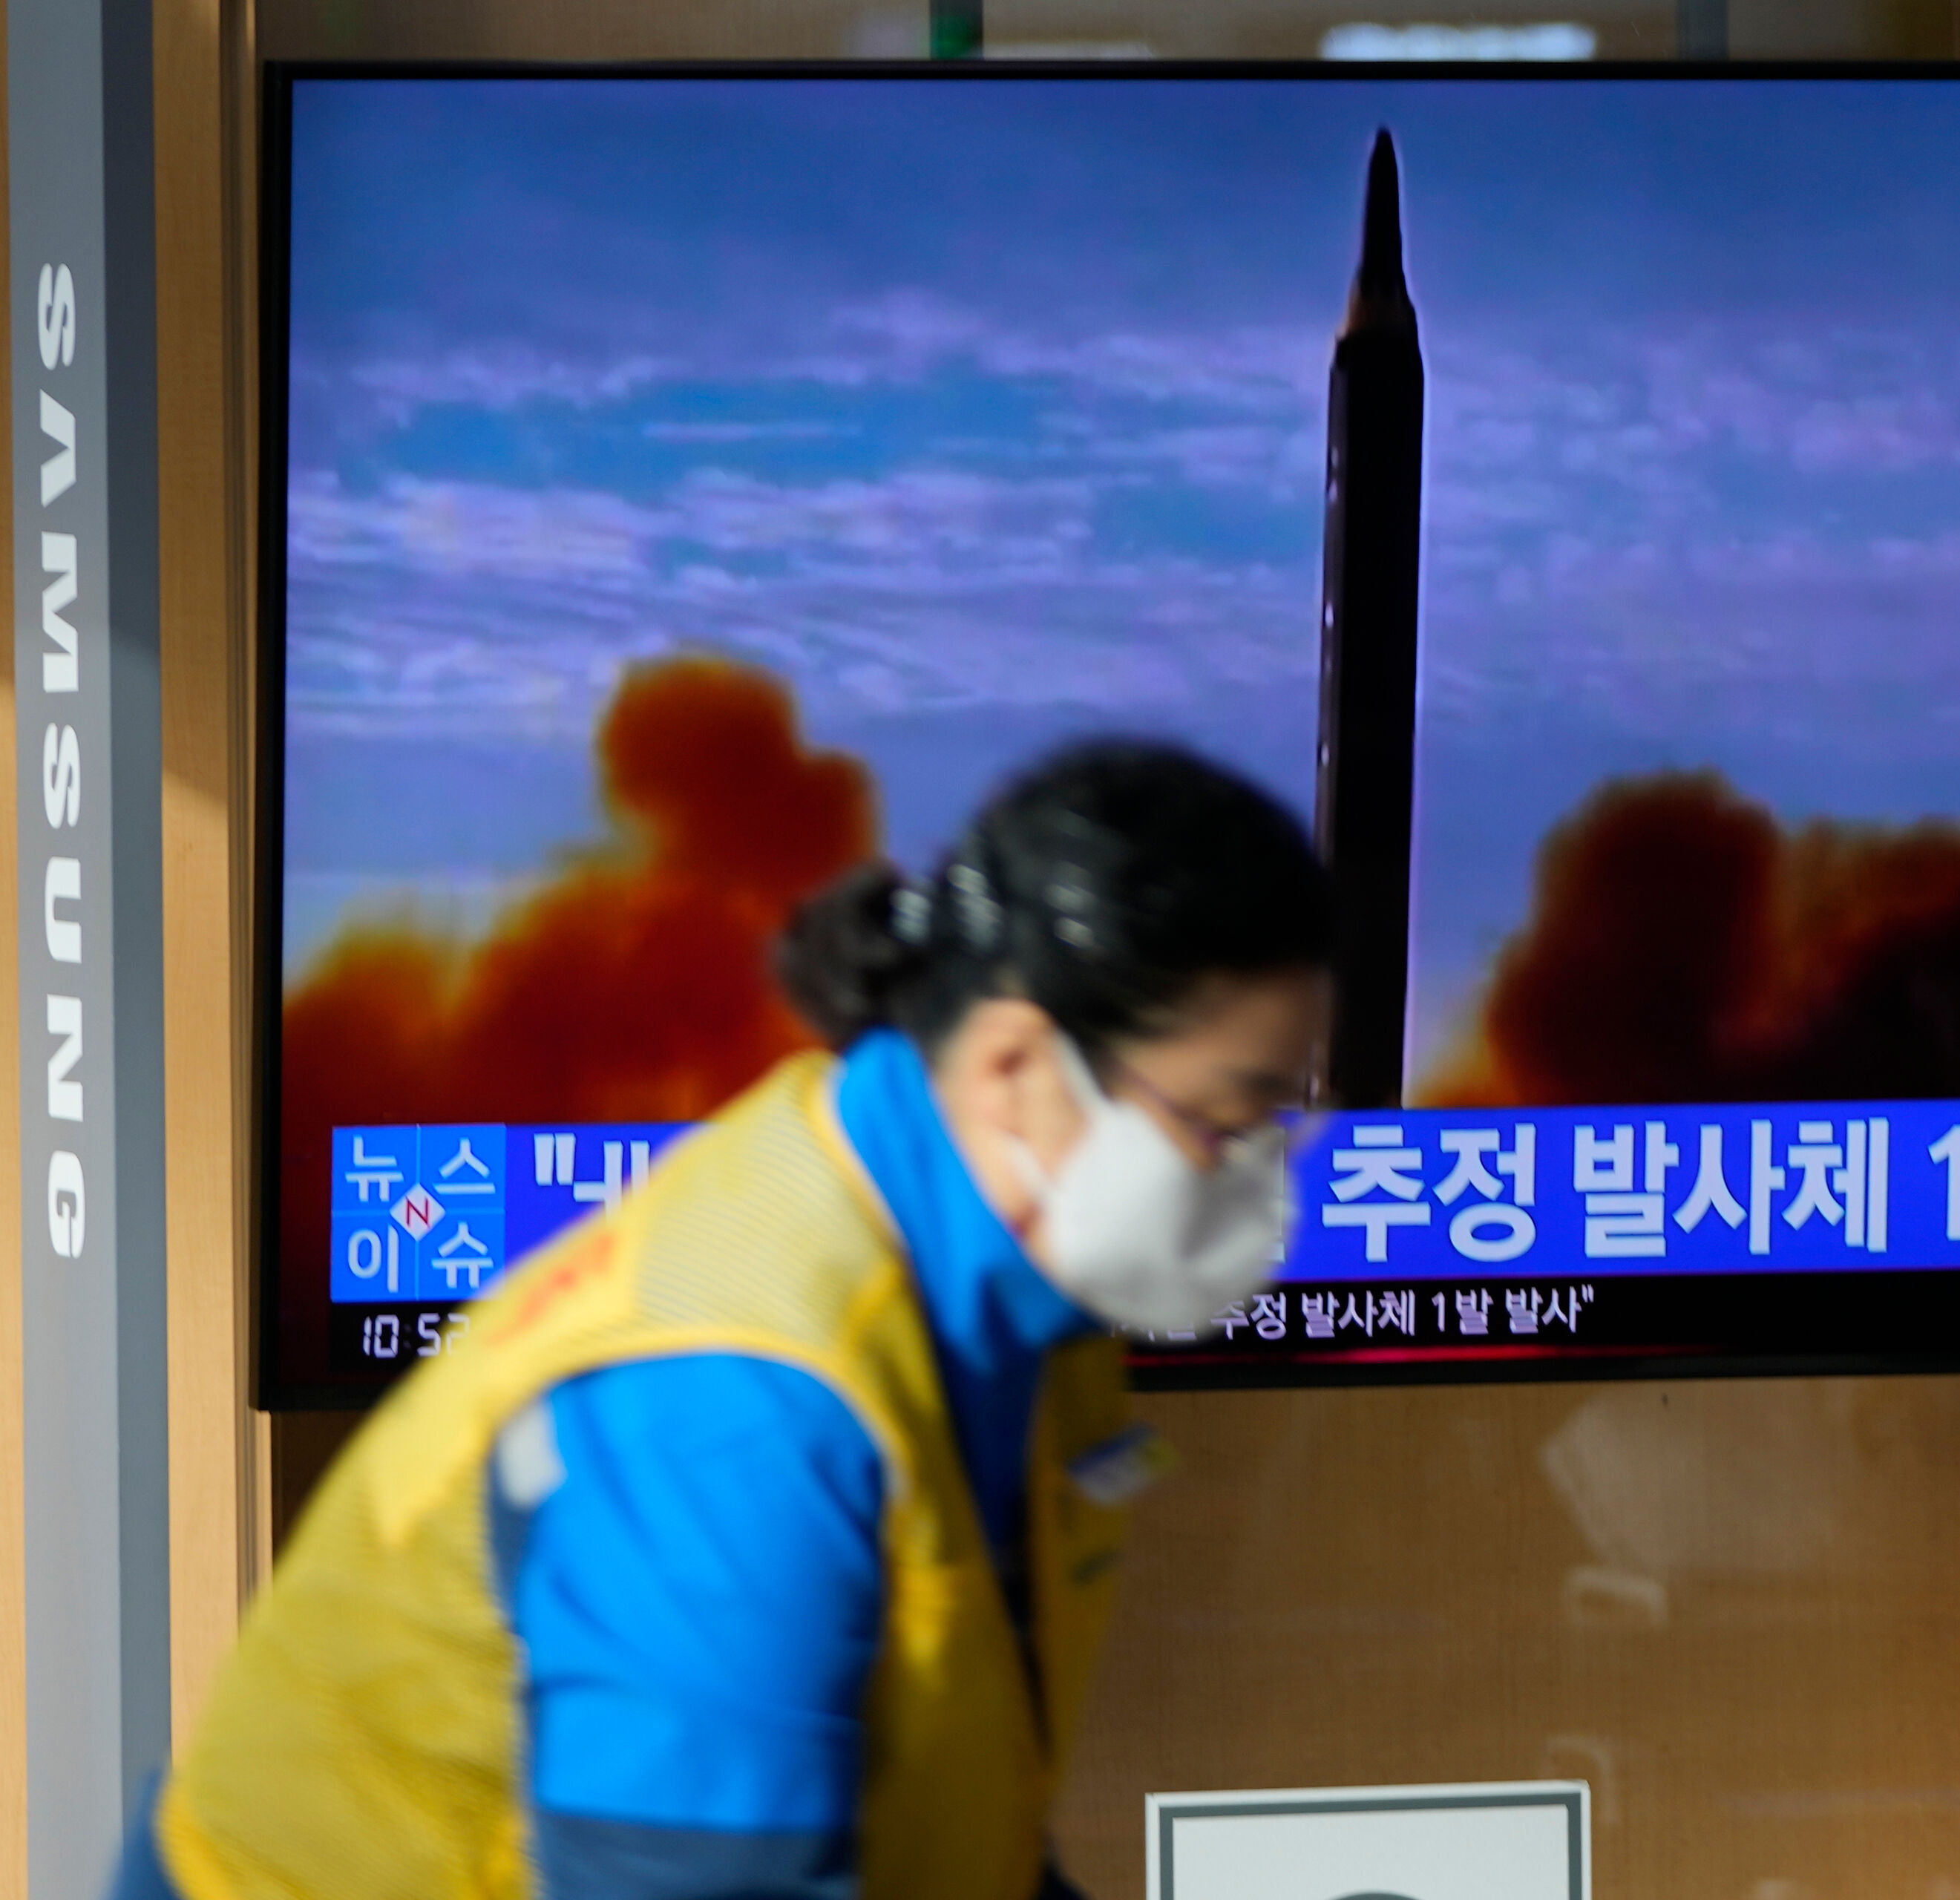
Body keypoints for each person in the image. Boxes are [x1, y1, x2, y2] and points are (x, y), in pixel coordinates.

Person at [122, 739, 1332, 1900]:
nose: (1257, 1181)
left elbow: (958, 1833)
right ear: (1018, 1067)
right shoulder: (738, 1395)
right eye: (1223, 1123)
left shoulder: (1034, 1307)